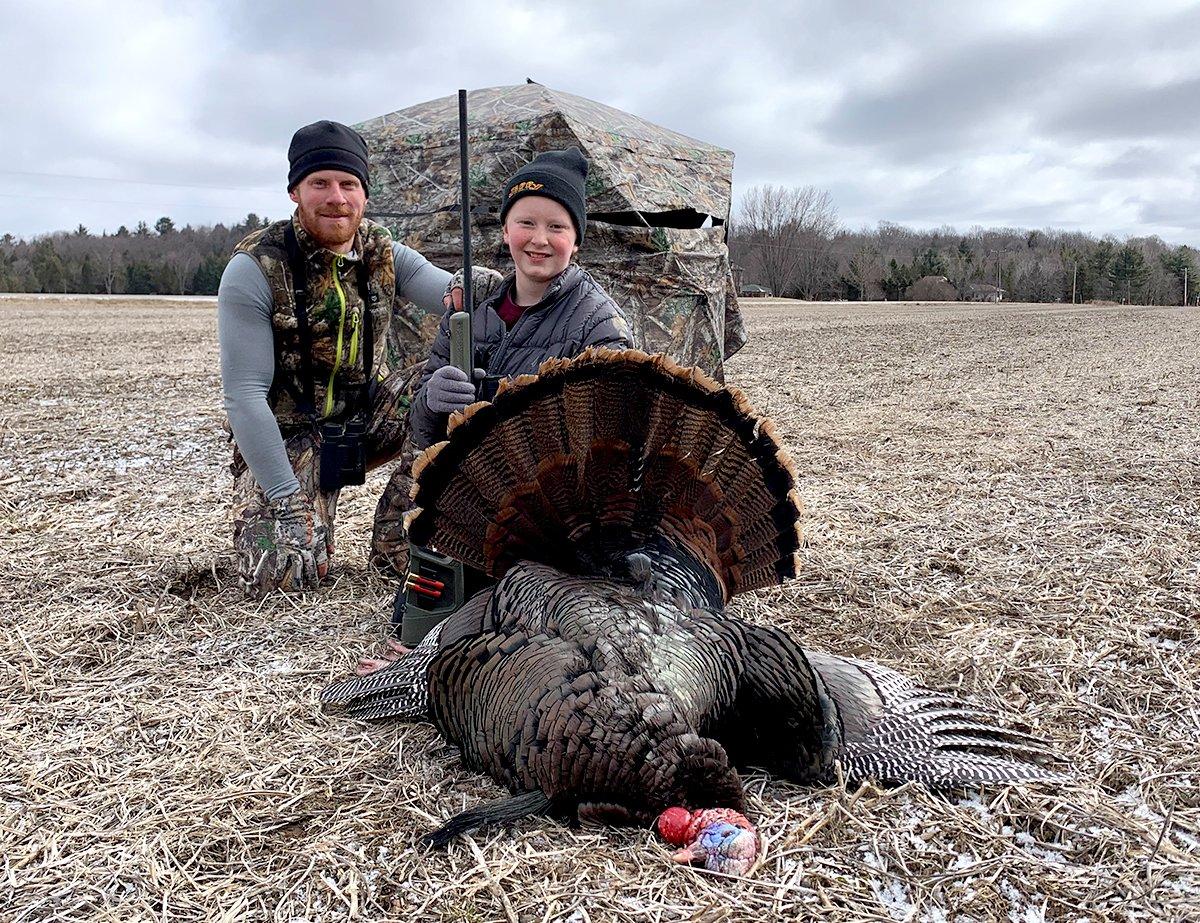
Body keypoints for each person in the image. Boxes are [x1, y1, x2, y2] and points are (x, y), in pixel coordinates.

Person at [218, 119, 496, 596]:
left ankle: (399, 534)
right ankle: (291, 512)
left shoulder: (383, 252)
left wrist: (477, 286)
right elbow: (244, 396)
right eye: (319, 183)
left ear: (364, 193)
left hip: (366, 419)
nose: (336, 197)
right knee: (282, 576)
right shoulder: (255, 269)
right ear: (294, 192)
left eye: (349, 184)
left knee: (446, 388)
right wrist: (287, 501)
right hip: (293, 437)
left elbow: (446, 292)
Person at [409, 147, 633, 450]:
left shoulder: (600, 326)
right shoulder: (469, 308)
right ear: (505, 230)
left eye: (556, 227)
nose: (539, 239)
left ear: (576, 241)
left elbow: (609, 442)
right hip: (465, 483)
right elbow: (422, 430)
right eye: (526, 222)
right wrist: (430, 403)